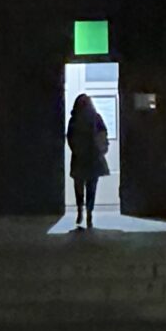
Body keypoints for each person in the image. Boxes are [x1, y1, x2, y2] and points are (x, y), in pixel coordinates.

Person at [66, 92, 109, 231]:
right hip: (93, 157)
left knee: (79, 186)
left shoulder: (74, 119)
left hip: (79, 157)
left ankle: (80, 210)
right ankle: (89, 212)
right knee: (91, 187)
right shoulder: (96, 118)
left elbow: (70, 137)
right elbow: (103, 134)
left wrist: (76, 149)